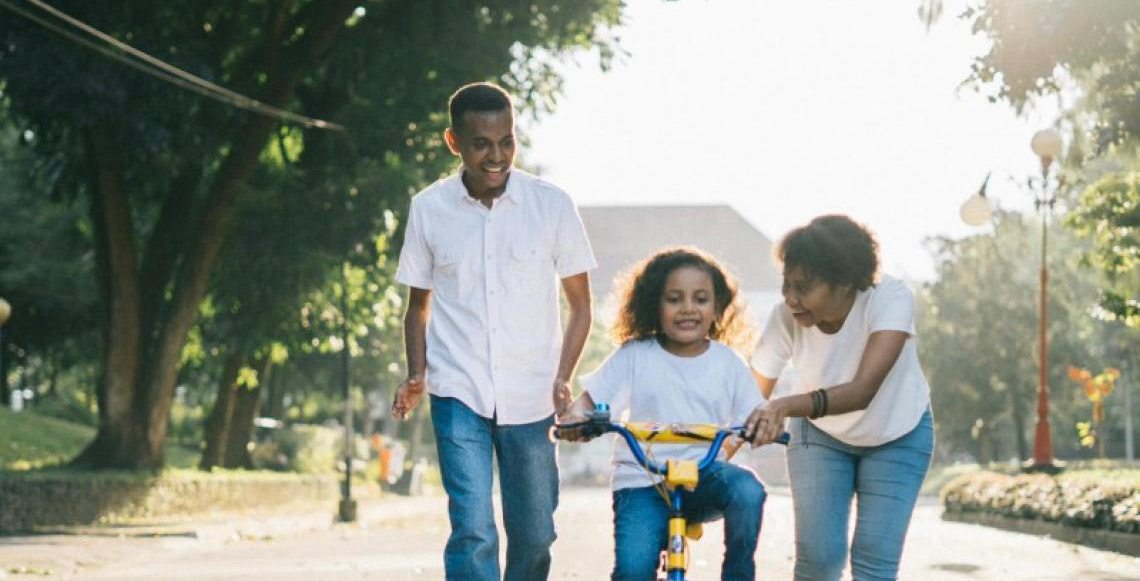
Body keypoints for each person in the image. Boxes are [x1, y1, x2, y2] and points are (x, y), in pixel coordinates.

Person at [390, 81, 596, 581]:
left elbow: (581, 306)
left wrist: (563, 376)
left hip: (532, 394)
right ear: (454, 142)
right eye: (481, 144)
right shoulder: (429, 209)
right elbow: (418, 308)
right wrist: (417, 373)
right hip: (458, 390)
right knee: (473, 530)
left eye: (507, 141)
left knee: (535, 535)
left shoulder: (552, 205)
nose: (497, 156)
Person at [744, 214, 934, 581]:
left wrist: (784, 405)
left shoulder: (889, 297)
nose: (790, 298)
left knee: (875, 562)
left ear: (845, 282)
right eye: (786, 284)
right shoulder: (785, 317)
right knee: (819, 560)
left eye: (803, 287)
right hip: (820, 436)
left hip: (898, 435)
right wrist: (707, 460)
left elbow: (862, 391)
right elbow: (750, 401)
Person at [560, 247, 769, 581]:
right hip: (642, 479)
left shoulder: (729, 363)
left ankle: (737, 575)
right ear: (653, 305)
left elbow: (754, 416)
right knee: (633, 571)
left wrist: (763, 426)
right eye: (674, 299)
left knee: (748, 490)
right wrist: (576, 419)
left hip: (704, 476)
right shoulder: (634, 355)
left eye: (701, 299)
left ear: (717, 307)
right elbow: (589, 402)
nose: (688, 308)